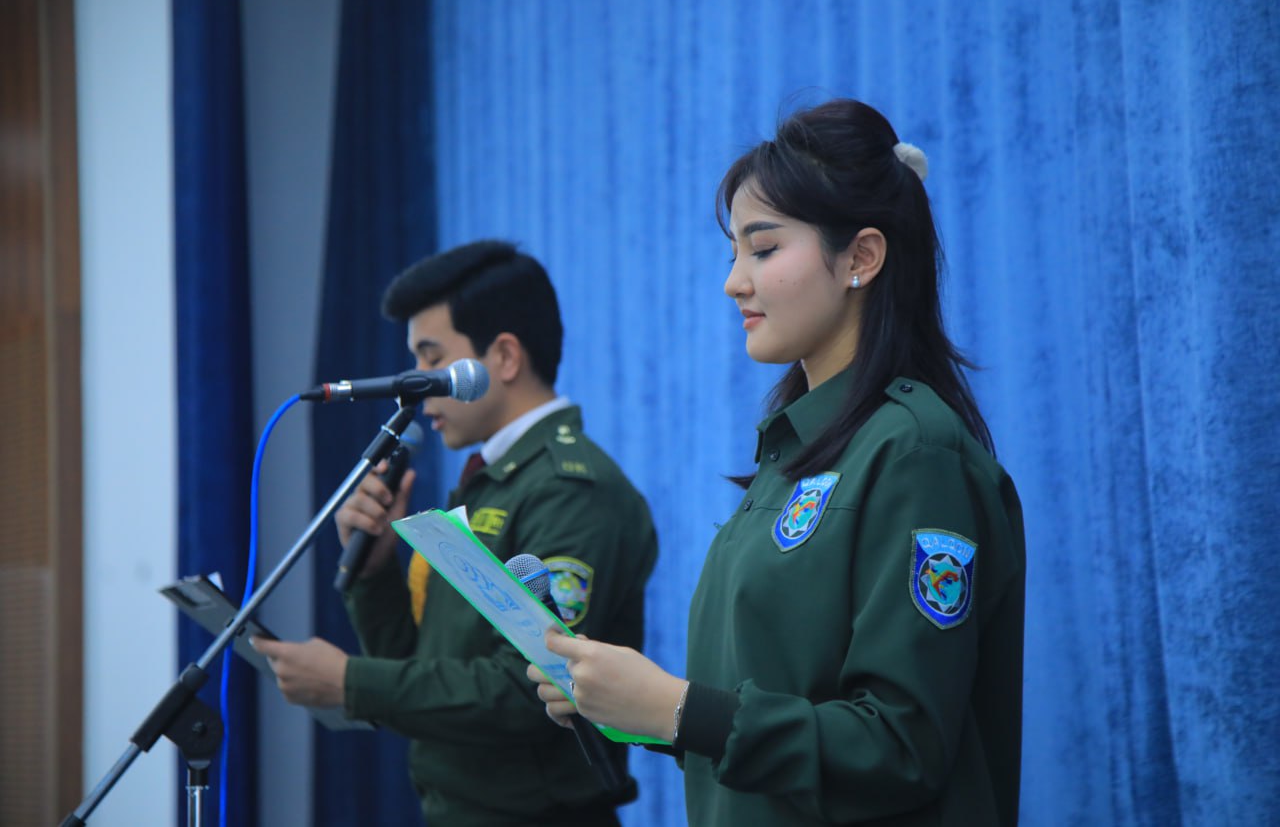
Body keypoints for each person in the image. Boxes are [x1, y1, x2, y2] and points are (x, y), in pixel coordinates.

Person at [529, 99, 1026, 826]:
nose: (735, 280)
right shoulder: (795, 451)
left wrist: (672, 705)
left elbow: (902, 745)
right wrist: (625, 701)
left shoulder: (914, 451)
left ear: (861, 257)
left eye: (763, 249)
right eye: (734, 252)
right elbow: (755, 708)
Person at [253, 240, 659, 826]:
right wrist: (373, 575)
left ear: (504, 358)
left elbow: (528, 691)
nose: (412, 384)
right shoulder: (490, 481)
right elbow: (421, 669)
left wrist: (350, 683)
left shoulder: (570, 491)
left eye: (430, 356)